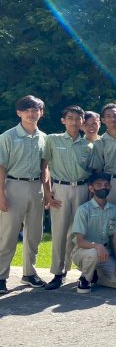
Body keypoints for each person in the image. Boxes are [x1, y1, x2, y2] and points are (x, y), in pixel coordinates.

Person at [0, 95, 50, 292]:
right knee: (8, 234)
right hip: (13, 186)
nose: (31, 113)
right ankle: (1, 276)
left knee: (34, 234)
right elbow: (1, 168)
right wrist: (1, 195)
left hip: (36, 187)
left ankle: (29, 274)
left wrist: (48, 192)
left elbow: (45, 167)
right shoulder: (7, 137)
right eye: (27, 109)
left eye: (35, 109)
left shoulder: (45, 138)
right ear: (19, 112)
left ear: (41, 113)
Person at [41, 104, 92, 289]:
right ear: (63, 120)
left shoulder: (88, 144)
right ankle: (57, 273)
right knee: (60, 232)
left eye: (78, 119)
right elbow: (44, 166)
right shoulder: (52, 140)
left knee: (78, 232)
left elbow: (93, 170)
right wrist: (47, 192)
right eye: (70, 118)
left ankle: (83, 272)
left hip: (82, 189)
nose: (74, 122)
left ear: (82, 122)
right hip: (60, 189)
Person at [70, 172, 116, 292]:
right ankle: (85, 279)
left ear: (110, 187)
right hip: (84, 252)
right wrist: (97, 246)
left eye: (106, 185)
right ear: (91, 188)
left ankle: (97, 277)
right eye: (99, 184)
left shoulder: (115, 210)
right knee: (94, 253)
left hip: (105, 254)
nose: (103, 187)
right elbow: (80, 241)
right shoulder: (83, 210)